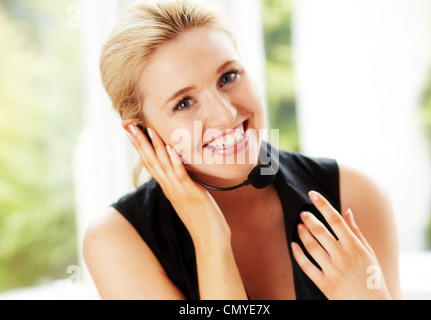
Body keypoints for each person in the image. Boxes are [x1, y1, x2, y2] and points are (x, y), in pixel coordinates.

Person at [83, 0, 402, 300]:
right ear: (141, 132)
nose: (225, 114)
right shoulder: (117, 241)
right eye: (184, 102)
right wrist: (210, 240)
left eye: (228, 77)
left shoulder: (355, 195)